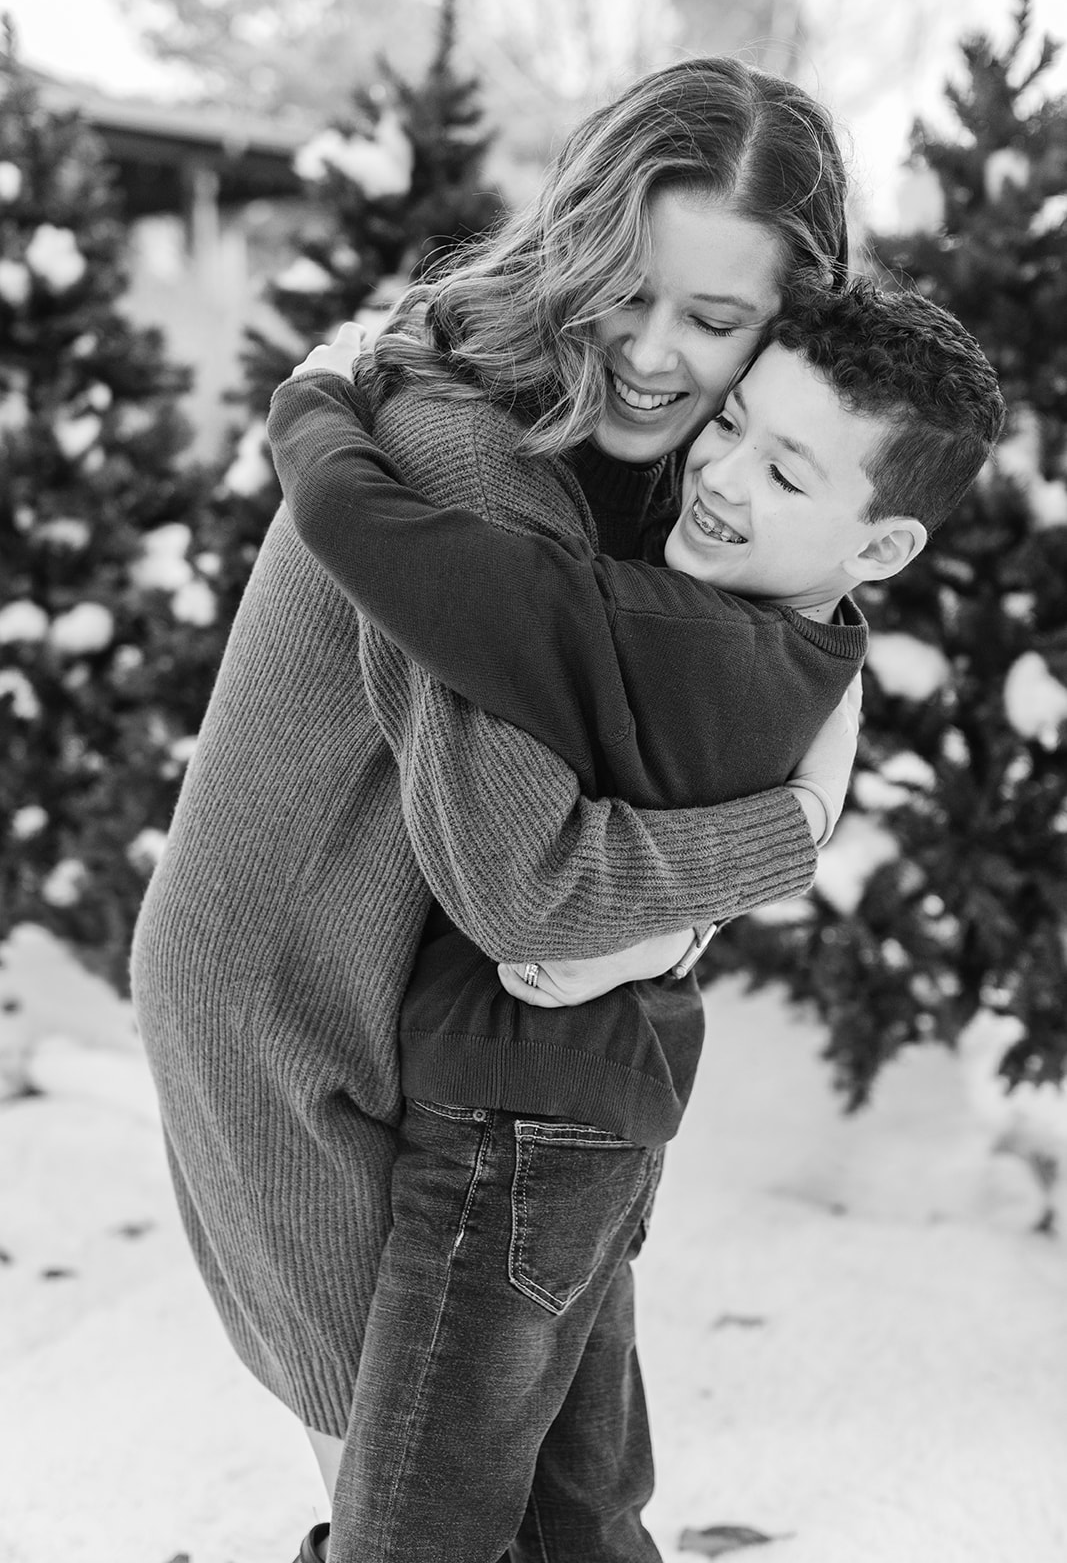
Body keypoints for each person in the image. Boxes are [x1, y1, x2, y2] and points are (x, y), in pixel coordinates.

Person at [130, 57, 858, 1563]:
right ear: (574, 249)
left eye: (714, 322)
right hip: (291, 1037)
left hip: (451, 1049)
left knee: (542, 1511)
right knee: (431, 1518)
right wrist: (790, 827)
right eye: (623, 293)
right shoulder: (481, 465)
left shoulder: (635, 465)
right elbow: (530, 893)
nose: (653, 356)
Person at [269, 280, 1004, 1560]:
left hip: (509, 1136)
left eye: (784, 472)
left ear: (879, 546)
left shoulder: (663, 636)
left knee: (412, 1529)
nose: (718, 476)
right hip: (597, 1123)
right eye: (731, 427)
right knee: (579, 1518)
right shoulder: (806, 643)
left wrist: (319, 393)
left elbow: (367, 529)